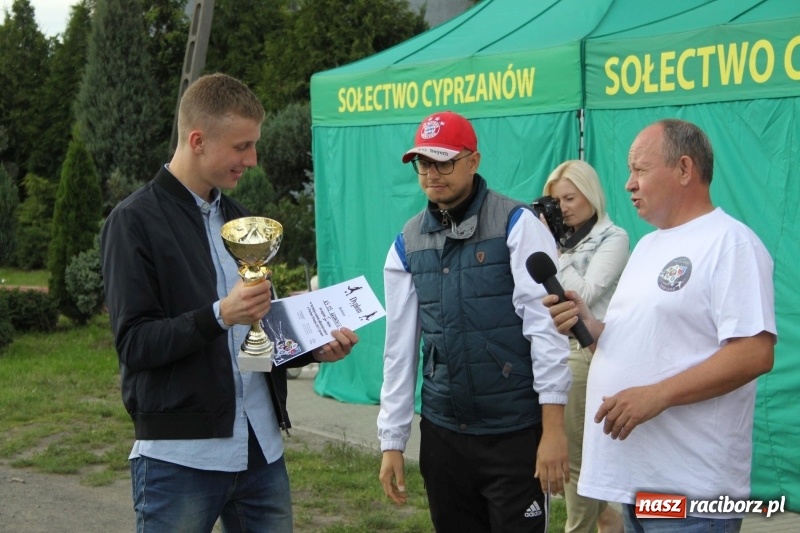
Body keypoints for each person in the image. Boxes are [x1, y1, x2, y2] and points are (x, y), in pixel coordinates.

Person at [100, 73, 359, 533]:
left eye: (253, 145)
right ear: (197, 140)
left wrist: (311, 344)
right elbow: (135, 344)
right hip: (181, 457)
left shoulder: (242, 219)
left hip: (261, 449)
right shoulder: (133, 222)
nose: (253, 160)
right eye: (242, 146)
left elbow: (258, 333)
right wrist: (220, 314)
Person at [546, 119, 776, 532]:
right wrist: (590, 328)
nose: (628, 184)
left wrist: (658, 395)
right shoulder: (649, 244)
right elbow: (634, 344)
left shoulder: (730, 243)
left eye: (640, 169)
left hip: (691, 493)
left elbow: (754, 352)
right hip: (639, 485)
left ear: (685, 169)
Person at [377, 110, 571, 532]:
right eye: (422, 163)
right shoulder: (406, 244)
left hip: (514, 433)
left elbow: (547, 333)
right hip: (444, 436)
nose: (431, 173)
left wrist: (552, 431)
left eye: (443, 161)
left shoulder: (518, 223)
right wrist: (392, 441)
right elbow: (399, 350)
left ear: (473, 160)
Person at [541, 160, 628, 533]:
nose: (562, 208)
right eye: (555, 201)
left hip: (586, 350)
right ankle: (606, 518)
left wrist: (553, 253)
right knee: (568, 449)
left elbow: (587, 296)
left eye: (570, 198)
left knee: (574, 455)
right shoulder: (556, 240)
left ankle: (579, 527)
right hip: (550, 349)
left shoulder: (614, 238)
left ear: (591, 194)